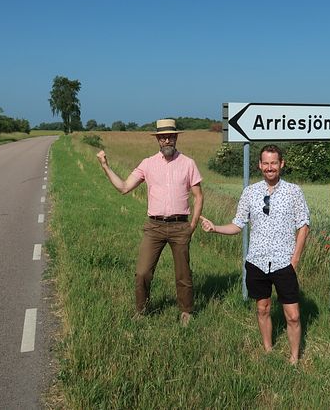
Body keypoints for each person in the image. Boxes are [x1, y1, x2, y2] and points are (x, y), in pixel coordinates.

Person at [200, 144, 310, 364]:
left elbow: (304, 225)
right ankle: (268, 351)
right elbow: (238, 224)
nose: (270, 168)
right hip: (257, 261)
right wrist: (215, 228)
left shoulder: (294, 191)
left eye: (274, 163)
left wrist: (295, 259)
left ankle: (294, 359)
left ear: (281, 164)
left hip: (283, 262)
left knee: (294, 315)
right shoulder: (250, 192)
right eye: (266, 163)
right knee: (262, 308)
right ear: (260, 165)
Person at [96, 118, 203, 326]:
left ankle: (186, 312)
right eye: (162, 137)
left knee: (183, 273)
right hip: (154, 227)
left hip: (181, 225)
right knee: (142, 272)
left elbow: (199, 196)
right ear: (158, 140)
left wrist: (192, 226)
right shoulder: (147, 164)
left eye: (170, 136)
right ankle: (141, 310)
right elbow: (124, 187)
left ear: (176, 137)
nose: (166, 140)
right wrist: (105, 166)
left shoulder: (188, 163)